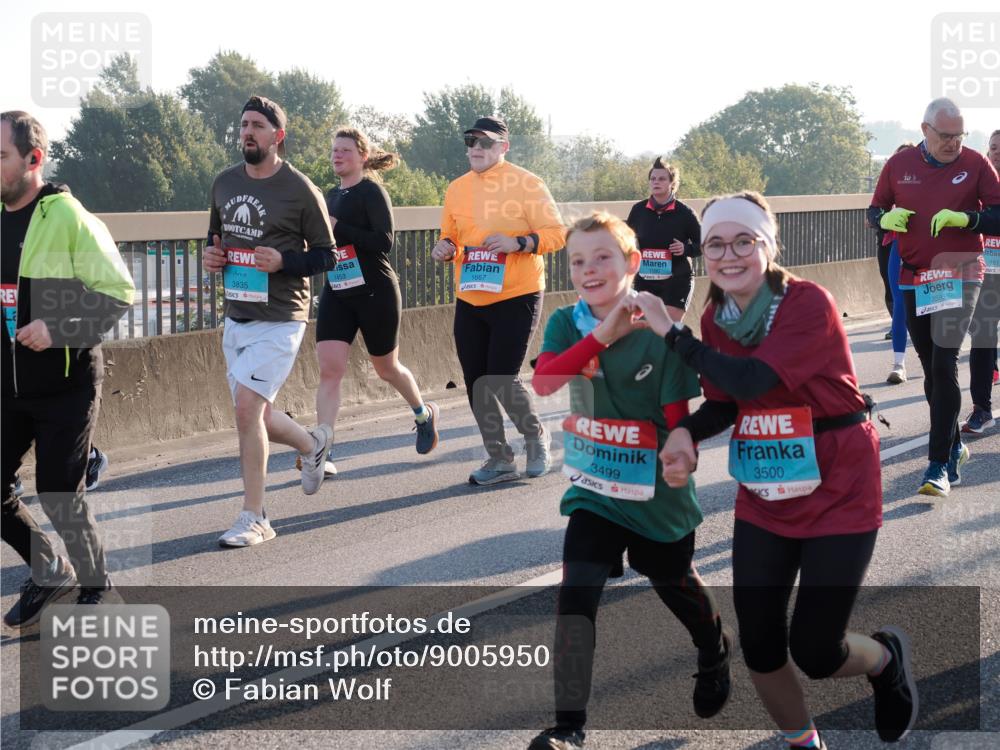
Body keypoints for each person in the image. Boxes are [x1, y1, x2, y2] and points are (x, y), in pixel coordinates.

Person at [633, 192, 917, 749]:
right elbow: (726, 402)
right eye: (716, 243)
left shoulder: (806, 302)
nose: (729, 254)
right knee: (761, 641)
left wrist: (672, 333)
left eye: (745, 240)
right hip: (766, 485)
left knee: (816, 651)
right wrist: (687, 431)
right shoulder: (717, 317)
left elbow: (752, 381)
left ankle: (883, 659)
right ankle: (803, 742)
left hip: (840, 479)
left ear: (768, 246)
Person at [527, 212, 730, 750]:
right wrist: (600, 335)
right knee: (576, 597)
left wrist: (677, 455)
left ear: (632, 264)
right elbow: (546, 382)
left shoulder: (660, 327)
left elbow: (676, 413)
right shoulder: (566, 324)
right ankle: (568, 727)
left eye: (602, 258)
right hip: (594, 490)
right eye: (577, 260)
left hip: (656, 492)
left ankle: (713, 650)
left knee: (671, 579)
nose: (588, 270)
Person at [1, 110, 135, 626]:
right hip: (6, 384)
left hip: (65, 385)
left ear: (33, 160)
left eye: (0, 157)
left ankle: (98, 586)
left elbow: (120, 294)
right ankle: (48, 569)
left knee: (59, 492)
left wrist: (59, 328)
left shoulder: (70, 217)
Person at [204, 96, 336, 547]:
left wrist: (284, 261)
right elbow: (215, 239)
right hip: (236, 315)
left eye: (257, 125)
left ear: (277, 136)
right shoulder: (223, 183)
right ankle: (311, 444)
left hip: (281, 318)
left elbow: (327, 255)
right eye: (243, 124)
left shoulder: (300, 189)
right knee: (254, 412)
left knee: (246, 410)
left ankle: (255, 516)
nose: (247, 132)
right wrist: (212, 257)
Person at [869, 98, 1000, 496]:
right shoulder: (899, 164)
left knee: (945, 361)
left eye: (959, 136)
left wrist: (969, 219)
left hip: (961, 272)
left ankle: (938, 464)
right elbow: (874, 209)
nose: (953, 143)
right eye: (945, 136)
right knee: (931, 369)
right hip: (914, 278)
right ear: (925, 130)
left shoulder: (977, 163)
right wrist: (884, 220)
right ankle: (954, 445)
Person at [430, 116, 565, 485]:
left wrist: (517, 243)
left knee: (502, 377)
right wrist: (446, 248)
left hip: (517, 293)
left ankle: (536, 436)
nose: (476, 148)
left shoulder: (527, 183)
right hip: (470, 295)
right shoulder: (456, 188)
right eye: (470, 141)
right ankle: (499, 457)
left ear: (503, 147)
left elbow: (556, 234)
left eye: (485, 142)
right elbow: (451, 237)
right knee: (476, 381)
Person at [312, 128, 438, 476]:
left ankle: (423, 414)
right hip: (338, 290)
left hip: (374, 292)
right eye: (334, 150)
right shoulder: (328, 197)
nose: (337, 156)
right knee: (330, 369)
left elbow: (384, 241)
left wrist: (340, 227)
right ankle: (324, 449)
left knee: (386, 369)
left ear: (362, 156)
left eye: (345, 150)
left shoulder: (371, 191)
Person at [626, 157, 701, 323]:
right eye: (653, 179)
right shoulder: (638, 210)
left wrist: (686, 249)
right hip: (645, 281)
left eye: (661, 178)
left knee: (668, 328)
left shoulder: (685, 213)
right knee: (645, 329)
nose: (656, 182)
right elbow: (625, 240)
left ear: (672, 183)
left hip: (677, 281)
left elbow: (704, 244)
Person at [961, 128, 1000, 434]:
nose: (997, 152)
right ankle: (982, 409)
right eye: (993, 147)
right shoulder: (978, 189)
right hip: (987, 275)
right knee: (982, 338)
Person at [877, 143, 917, 385]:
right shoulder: (890, 185)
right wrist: (884, 218)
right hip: (898, 248)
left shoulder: (929, 181)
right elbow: (874, 213)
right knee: (900, 301)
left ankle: (935, 357)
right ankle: (899, 364)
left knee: (929, 307)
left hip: (928, 252)